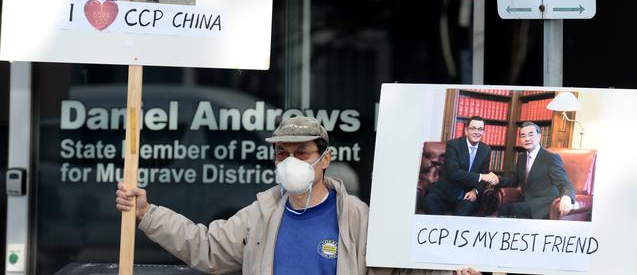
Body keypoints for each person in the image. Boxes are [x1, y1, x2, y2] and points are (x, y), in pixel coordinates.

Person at [116, 116, 480, 275]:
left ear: (325, 159)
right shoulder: (261, 214)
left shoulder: (356, 217)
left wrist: (453, 273)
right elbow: (207, 249)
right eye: (282, 153)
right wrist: (148, 213)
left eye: (301, 152)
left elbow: (400, 268)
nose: (290, 161)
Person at [496, 121, 576, 219]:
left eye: (531, 135)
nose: (527, 139)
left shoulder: (550, 158)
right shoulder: (522, 158)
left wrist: (567, 197)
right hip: (527, 203)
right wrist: (496, 180)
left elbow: (565, 182)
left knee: (514, 209)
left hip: (544, 205)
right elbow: (513, 179)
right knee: (504, 208)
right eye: (523, 136)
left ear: (539, 137)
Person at [422, 116, 499, 216]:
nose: (477, 132)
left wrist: (475, 191)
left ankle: (453, 230)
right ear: (466, 130)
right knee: (429, 200)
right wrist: (481, 176)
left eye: (480, 129)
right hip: (445, 193)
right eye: (473, 128)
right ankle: (442, 229)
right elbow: (453, 173)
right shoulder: (453, 145)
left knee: (468, 207)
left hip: (466, 196)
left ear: (484, 132)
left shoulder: (486, 150)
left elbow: (483, 181)